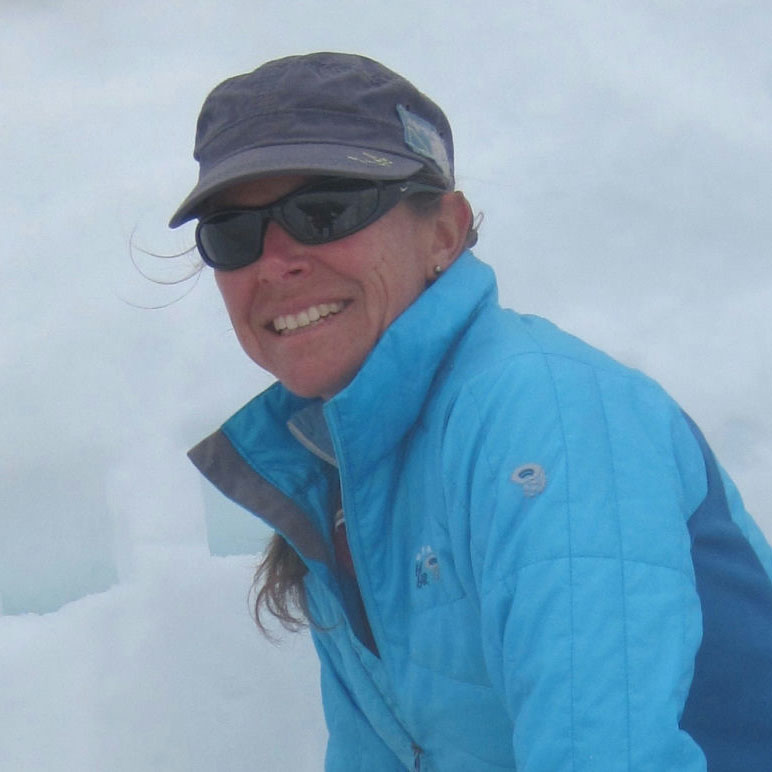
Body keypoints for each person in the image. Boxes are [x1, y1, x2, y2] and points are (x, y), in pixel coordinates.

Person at [170, 52, 772, 771]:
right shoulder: (341, 468)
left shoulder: (543, 414)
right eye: (234, 232)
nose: (274, 262)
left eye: (324, 211)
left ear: (445, 233)